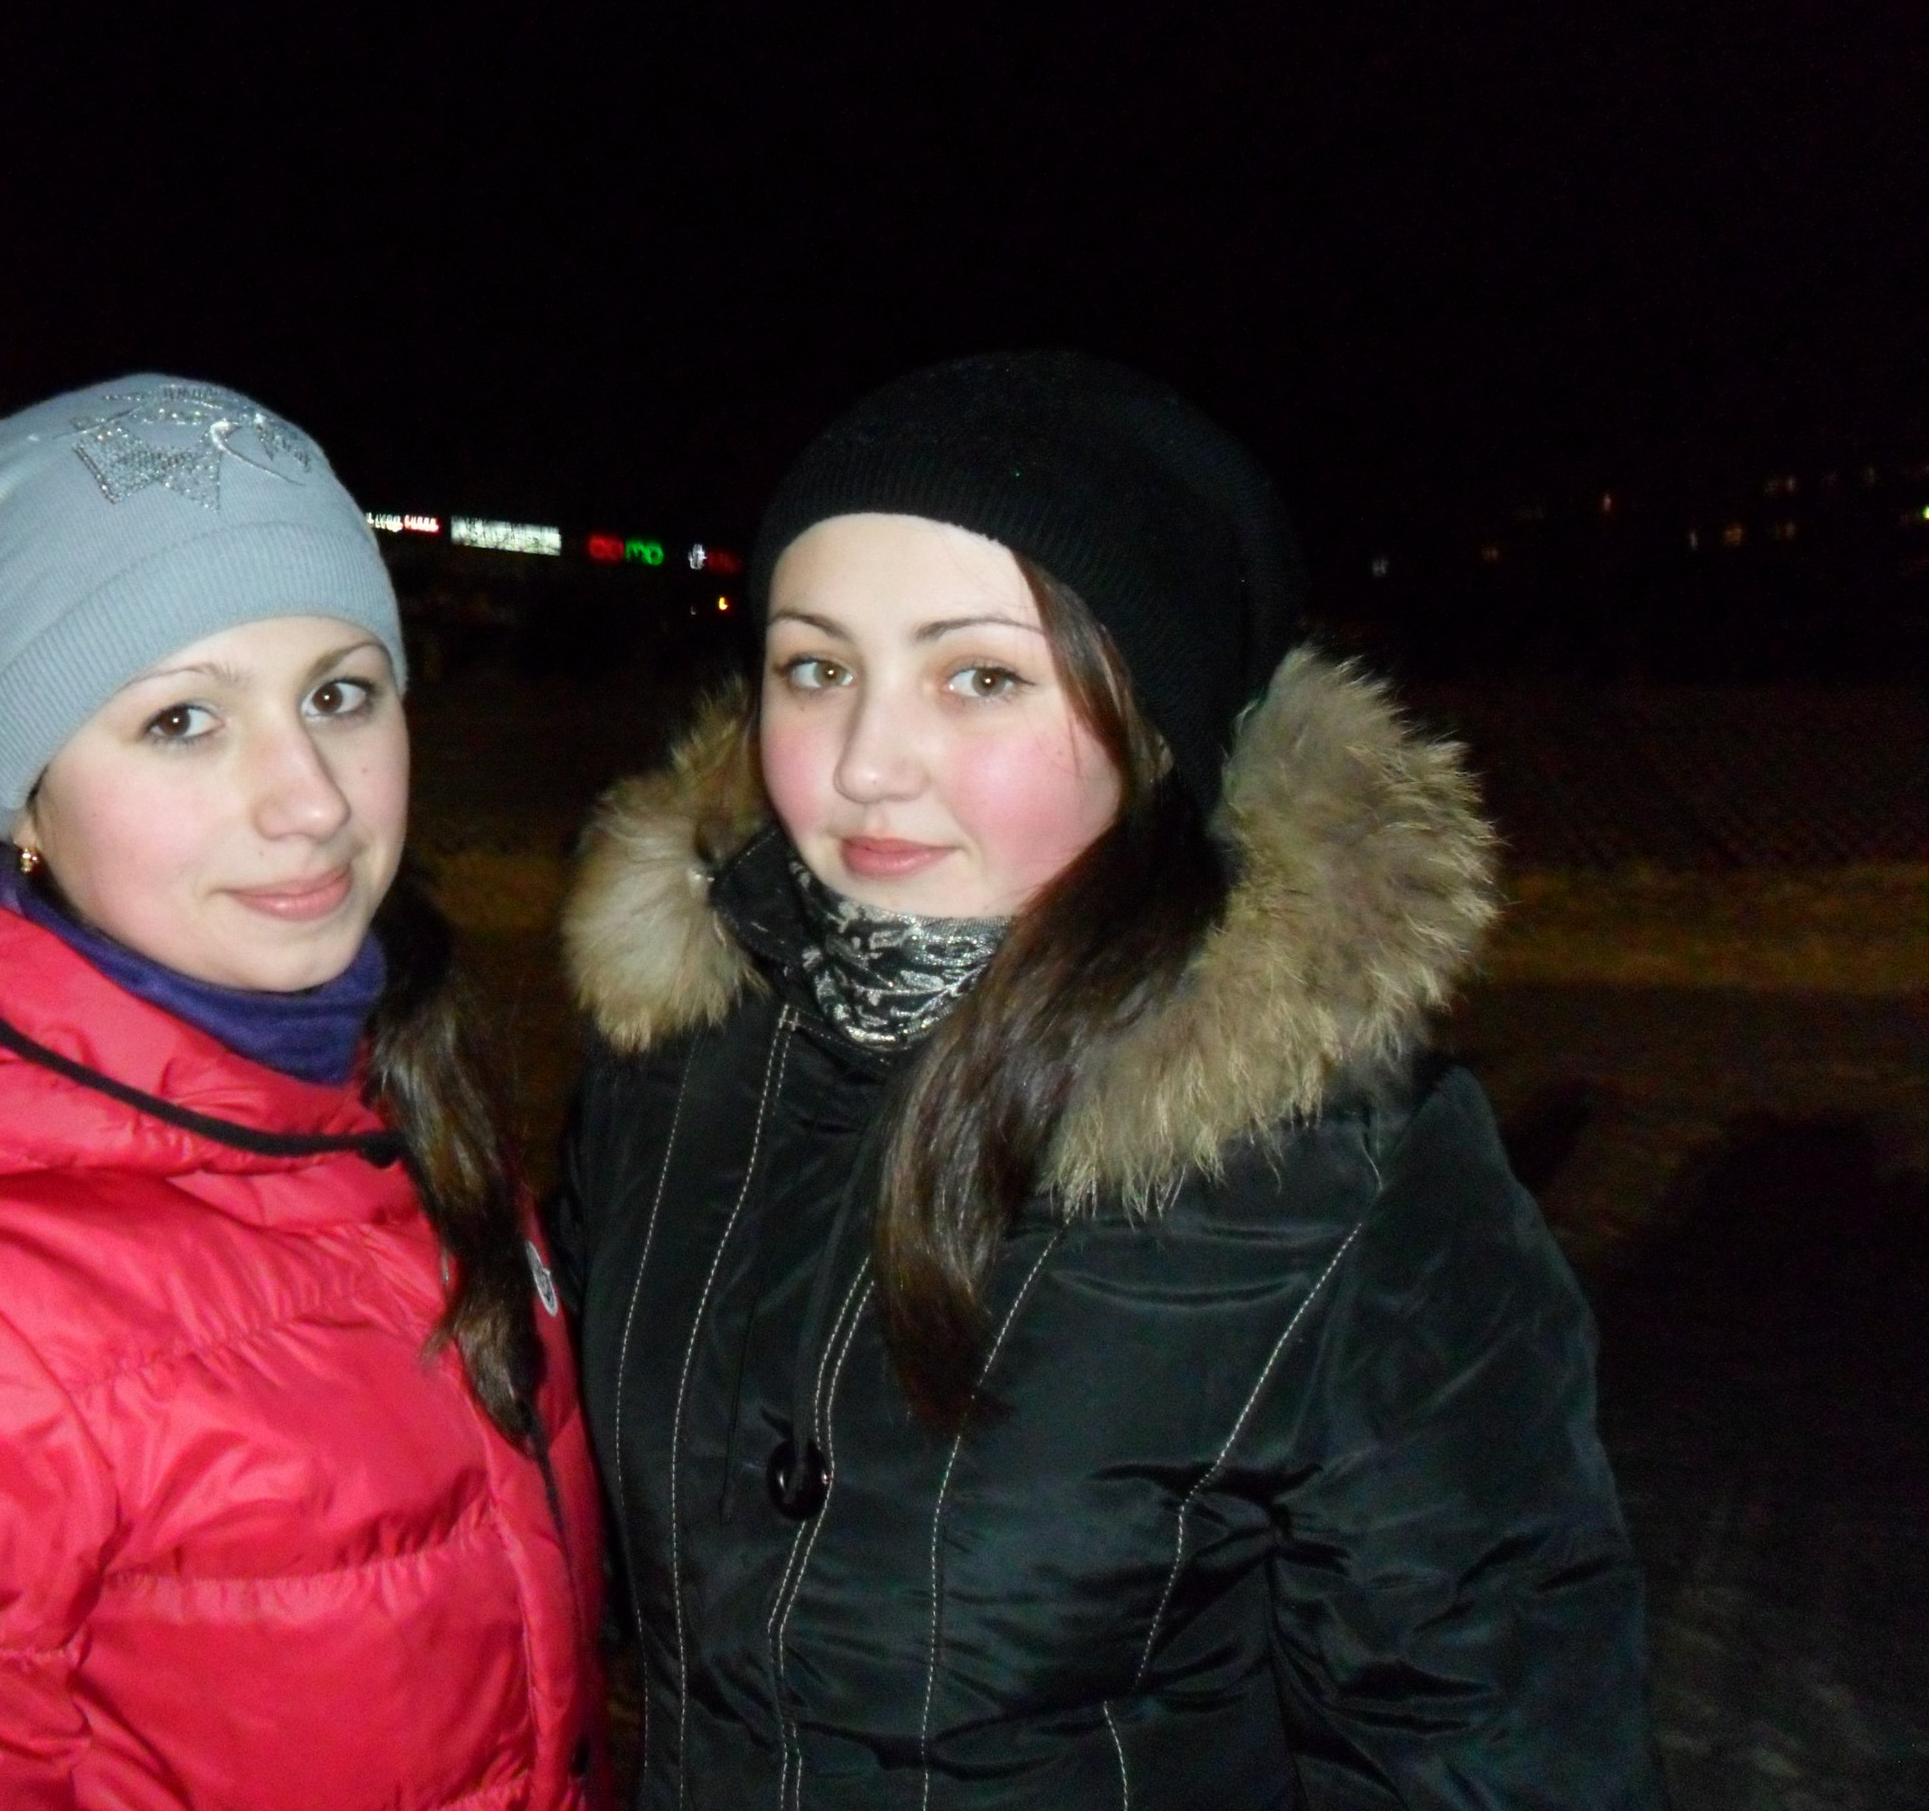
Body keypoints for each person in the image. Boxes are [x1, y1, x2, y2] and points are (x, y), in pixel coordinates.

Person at [554, 353, 1664, 1808]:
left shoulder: (1337, 1181)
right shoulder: (670, 1070)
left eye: (981, 676)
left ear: (1154, 722)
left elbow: (1488, 1747)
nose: (868, 764)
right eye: (817, 668)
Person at [0, 376, 605, 1807]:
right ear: (23, 796)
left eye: (339, 694)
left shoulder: (396, 1102)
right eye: (182, 721)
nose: (312, 799)